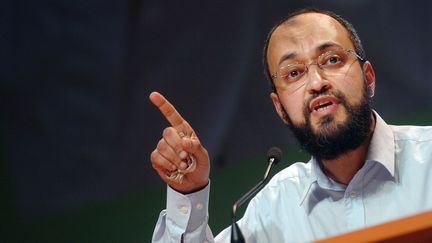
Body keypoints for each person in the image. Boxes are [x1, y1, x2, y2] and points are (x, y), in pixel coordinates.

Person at [149, 8, 432, 242]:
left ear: (368, 77)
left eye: (332, 59)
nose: (316, 82)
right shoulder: (273, 210)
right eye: (294, 73)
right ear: (280, 108)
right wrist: (188, 194)